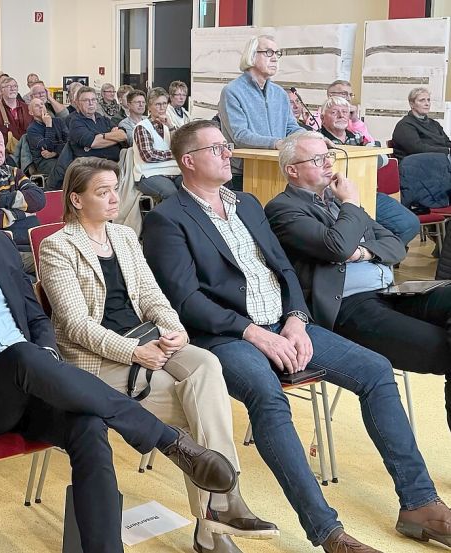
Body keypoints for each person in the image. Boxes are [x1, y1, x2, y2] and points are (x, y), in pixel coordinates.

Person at [0, 154, 238, 553]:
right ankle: (166, 439)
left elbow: (38, 321)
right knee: (21, 355)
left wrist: (45, 357)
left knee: (88, 425)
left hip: (33, 383)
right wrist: (15, 362)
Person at [142, 120, 451, 553]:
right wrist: (256, 334)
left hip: (283, 325)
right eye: (218, 148)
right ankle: (328, 532)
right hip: (226, 336)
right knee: (269, 398)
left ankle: (418, 504)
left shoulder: (247, 203)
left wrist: (296, 319)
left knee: (376, 370)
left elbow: (284, 269)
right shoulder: (166, 219)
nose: (229, 153)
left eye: (227, 146)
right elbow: (186, 300)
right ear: (188, 161)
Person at [39, 157, 278, 552]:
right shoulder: (57, 246)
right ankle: (217, 517)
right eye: (103, 192)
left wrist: (174, 329)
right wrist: (135, 352)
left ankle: (219, 509)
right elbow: (77, 326)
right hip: (98, 361)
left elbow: (152, 296)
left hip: (149, 340)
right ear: (76, 199)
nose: (115, 198)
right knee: (192, 412)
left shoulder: (125, 237)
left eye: (116, 188)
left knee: (206, 363)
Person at [266, 130, 451, 437]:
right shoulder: (284, 209)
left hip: (389, 293)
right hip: (348, 307)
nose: (327, 163)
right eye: (317, 159)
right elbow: (337, 247)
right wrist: (352, 202)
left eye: (329, 156)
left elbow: (395, 243)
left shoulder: (336, 203)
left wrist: (364, 251)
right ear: (292, 170)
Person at [318, 97, 420, 246]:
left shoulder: (358, 136)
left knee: (409, 224)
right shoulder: (318, 141)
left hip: (368, 193)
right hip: (334, 199)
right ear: (322, 117)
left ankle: (378, 254)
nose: (341, 116)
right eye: (334, 112)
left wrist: (362, 160)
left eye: (345, 112)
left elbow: (384, 159)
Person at [218, 35, 301, 191]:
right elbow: (240, 136)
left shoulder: (280, 93)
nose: (275, 58)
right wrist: (276, 143)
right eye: (269, 52)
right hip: (244, 174)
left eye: (277, 53)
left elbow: (291, 127)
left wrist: (312, 139)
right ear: (252, 56)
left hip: (278, 169)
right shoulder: (232, 91)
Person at [54, 86, 127, 189]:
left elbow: (123, 135)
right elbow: (93, 142)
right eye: (86, 100)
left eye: (93, 99)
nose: (91, 103)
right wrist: (114, 138)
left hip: (114, 164)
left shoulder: (102, 119)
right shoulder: (75, 121)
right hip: (91, 167)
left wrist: (103, 136)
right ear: (77, 103)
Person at [133, 87, 183, 202]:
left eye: (165, 103)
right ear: (149, 107)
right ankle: (169, 220)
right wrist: (174, 154)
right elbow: (148, 155)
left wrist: (171, 127)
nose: (162, 108)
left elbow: (180, 146)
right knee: (171, 193)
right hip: (149, 173)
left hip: (172, 170)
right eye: (158, 104)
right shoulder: (142, 127)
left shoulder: (169, 125)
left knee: (191, 188)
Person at [392, 87, 451, 160]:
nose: (427, 104)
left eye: (428, 100)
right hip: (416, 164)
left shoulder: (435, 124)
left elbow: (447, 143)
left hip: (440, 159)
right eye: (422, 100)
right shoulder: (405, 125)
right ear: (412, 104)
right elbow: (418, 149)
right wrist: (447, 151)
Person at [24, 98, 67, 178]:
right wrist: (48, 126)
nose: (41, 106)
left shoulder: (59, 121)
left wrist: (55, 153)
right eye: (37, 106)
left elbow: (70, 142)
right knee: (62, 169)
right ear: (31, 112)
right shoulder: (32, 129)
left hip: (61, 156)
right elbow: (48, 147)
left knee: (79, 166)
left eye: (42, 104)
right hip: (44, 162)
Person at [0, 77, 31, 142]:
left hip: (27, 148)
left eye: (15, 86)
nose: (13, 89)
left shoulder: (27, 108)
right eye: (9, 86)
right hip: (5, 150)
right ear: (2, 90)